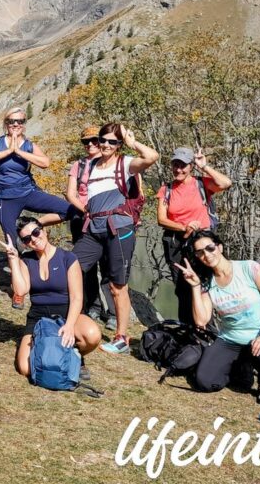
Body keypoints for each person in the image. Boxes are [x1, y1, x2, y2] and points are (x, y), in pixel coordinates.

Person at [72, 123, 159, 355]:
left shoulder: (126, 163)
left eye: (113, 142)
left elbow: (152, 156)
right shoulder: (91, 165)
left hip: (119, 228)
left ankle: (121, 338)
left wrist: (133, 143)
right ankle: (69, 319)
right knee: (70, 267)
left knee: (117, 284)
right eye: (104, 140)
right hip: (93, 227)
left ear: (119, 145)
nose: (107, 145)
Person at [174, 231, 260, 406]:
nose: (206, 255)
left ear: (219, 247)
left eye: (210, 248)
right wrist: (195, 286)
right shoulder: (207, 282)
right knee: (204, 382)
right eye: (200, 252)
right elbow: (201, 321)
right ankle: (241, 366)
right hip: (230, 339)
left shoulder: (249, 268)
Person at [0, 106, 75, 309]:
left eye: (20, 121)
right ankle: (19, 291)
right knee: (10, 241)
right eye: (12, 122)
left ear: (24, 124)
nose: (16, 125)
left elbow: (45, 162)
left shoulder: (29, 145)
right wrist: (9, 151)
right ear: (5, 124)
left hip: (28, 192)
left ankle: (32, 226)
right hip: (5, 198)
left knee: (70, 210)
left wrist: (20, 152)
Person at [4, 217, 101, 380]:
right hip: (38, 317)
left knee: (92, 335)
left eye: (35, 232)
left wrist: (69, 326)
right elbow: (21, 290)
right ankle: (54, 350)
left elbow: (77, 297)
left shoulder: (68, 258)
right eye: (27, 239)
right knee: (25, 368)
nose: (33, 239)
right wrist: (13, 259)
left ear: (44, 230)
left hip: (66, 313)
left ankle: (75, 354)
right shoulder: (26, 260)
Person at [156, 147, 232, 325]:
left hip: (202, 243)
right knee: (182, 286)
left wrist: (204, 166)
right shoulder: (166, 189)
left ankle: (209, 325)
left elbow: (225, 183)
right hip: (176, 242)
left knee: (207, 283)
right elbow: (161, 219)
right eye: (176, 165)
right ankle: (188, 326)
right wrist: (184, 227)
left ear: (191, 166)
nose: (179, 170)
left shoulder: (201, 184)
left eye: (183, 166)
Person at [66, 126, 114, 327]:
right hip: (83, 218)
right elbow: (70, 193)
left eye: (95, 140)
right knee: (85, 266)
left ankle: (112, 312)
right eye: (86, 142)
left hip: (108, 220)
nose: (91, 145)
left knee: (109, 264)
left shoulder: (110, 164)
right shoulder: (79, 165)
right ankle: (93, 306)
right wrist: (86, 210)